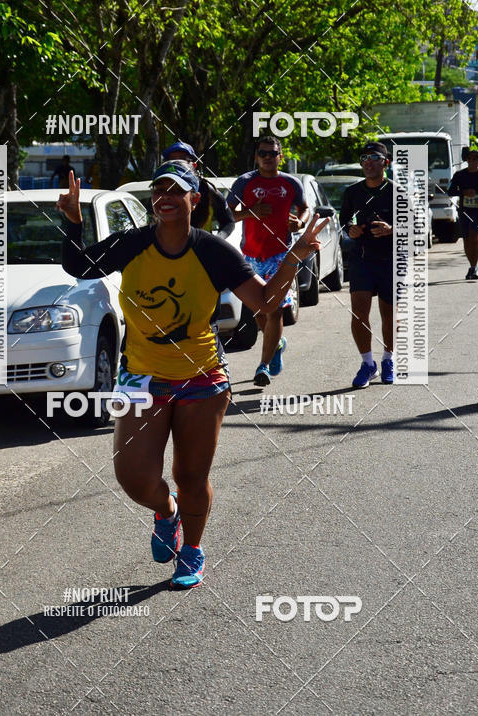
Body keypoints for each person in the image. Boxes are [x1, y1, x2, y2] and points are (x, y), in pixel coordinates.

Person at [59, 161, 325, 589]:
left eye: (174, 190)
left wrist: (294, 257)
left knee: (191, 477)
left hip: (202, 378)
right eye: (157, 190)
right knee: (134, 477)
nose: (163, 197)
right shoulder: (133, 243)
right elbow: (80, 265)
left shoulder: (214, 250)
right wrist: (72, 221)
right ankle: (167, 514)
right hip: (142, 378)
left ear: (194, 198)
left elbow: (263, 303)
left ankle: (192, 550)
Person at [226, 136, 307, 386]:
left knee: (274, 310)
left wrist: (300, 222)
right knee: (259, 309)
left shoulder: (290, 183)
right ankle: (278, 344)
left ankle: (263, 366)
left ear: (280, 156)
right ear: (256, 157)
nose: (268, 157)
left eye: (273, 153)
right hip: (251, 255)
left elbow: (303, 208)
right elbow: (228, 214)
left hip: (281, 254)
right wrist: (251, 212)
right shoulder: (244, 183)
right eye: (263, 153)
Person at [339, 141, 395, 388]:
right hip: (362, 259)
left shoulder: (398, 192)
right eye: (364, 158)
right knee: (359, 313)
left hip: (391, 260)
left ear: (386, 162)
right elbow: (343, 222)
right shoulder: (352, 192)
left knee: (389, 315)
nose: (368, 162)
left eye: (374, 157)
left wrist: (392, 229)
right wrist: (349, 229)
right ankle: (367, 363)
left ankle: (388, 359)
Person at [162, 141, 235, 238]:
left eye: (183, 161)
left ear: (194, 165)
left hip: (201, 250)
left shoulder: (207, 189)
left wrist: (216, 241)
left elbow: (228, 222)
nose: (177, 165)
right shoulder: (160, 190)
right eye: (172, 162)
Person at [448, 150, 478, 279]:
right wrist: (464, 192)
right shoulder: (460, 175)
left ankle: (474, 268)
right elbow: (450, 190)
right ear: (467, 160)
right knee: (467, 240)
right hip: (464, 211)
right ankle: (471, 266)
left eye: (475, 159)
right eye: (470, 159)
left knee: (474, 236)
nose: (472, 161)